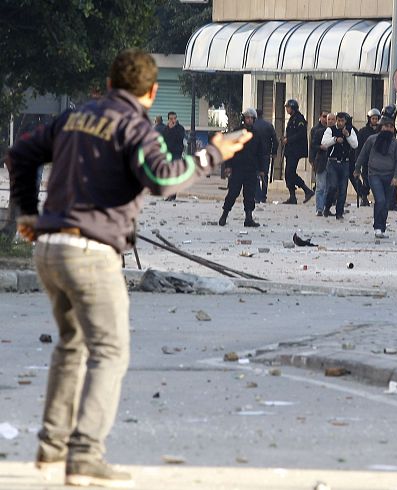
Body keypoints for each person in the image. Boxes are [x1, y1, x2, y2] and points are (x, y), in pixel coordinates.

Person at [6, 48, 250, 488]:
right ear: (152, 92)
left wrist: (25, 214)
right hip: (91, 253)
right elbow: (162, 179)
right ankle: (84, 455)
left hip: (49, 248)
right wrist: (211, 156)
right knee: (110, 351)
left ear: (109, 81)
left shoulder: (75, 117)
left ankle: (51, 447)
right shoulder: (135, 126)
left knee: (71, 346)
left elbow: (20, 153)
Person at [355, 116, 397, 238]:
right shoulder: (372, 140)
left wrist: (396, 177)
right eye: (386, 126)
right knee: (380, 200)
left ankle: (382, 228)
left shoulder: (396, 144)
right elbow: (362, 155)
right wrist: (357, 169)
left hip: (390, 177)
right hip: (374, 175)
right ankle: (377, 227)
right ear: (381, 127)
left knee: (386, 204)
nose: (388, 129)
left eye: (391, 127)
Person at [219, 108, 266, 227]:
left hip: (251, 169)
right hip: (237, 168)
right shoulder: (237, 132)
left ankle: (248, 218)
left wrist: (261, 170)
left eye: (251, 118)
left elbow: (261, 153)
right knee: (233, 192)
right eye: (247, 118)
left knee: (249, 194)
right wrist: (228, 166)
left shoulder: (256, 134)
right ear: (244, 119)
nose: (249, 120)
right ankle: (224, 215)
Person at [321, 112, 358, 219]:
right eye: (339, 121)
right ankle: (327, 207)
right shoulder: (330, 130)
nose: (340, 123)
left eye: (342, 121)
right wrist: (335, 140)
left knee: (343, 189)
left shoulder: (350, 130)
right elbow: (324, 142)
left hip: (345, 163)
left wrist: (348, 136)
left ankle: (339, 212)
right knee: (332, 187)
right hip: (332, 162)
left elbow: (355, 144)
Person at [282, 98, 314, 204]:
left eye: (288, 107)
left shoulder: (299, 118)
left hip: (295, 151)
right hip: (290, 150)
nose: (287, 109)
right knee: (288, 174)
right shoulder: (292, 118)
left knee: (290, 172)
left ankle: (306, 190)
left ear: (293, 108)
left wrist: (288, 139)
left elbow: (300, 134)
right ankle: (292, 196)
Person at [356, 108, 381, 206]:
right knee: (366, 180)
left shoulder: (380, 131)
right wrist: (358, 159)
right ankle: (364, 196)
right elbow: (359, 147)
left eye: (376, 118)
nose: (375, 120)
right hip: (366, 160)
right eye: (373, 118)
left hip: (378, 160)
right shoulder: (363, 131)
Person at [253, 108, 279, 202]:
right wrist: (274, 152)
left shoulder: (252, 126)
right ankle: (263, 195)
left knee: (255, 174)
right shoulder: (269, 126)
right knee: (265, 175)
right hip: (266, 154)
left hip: (255, 154)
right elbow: (275, 141)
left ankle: (257, 195)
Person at [310, 111, 330, 216]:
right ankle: (319, 208)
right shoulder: (316, 131)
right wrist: (312, 160)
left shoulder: (336, 132)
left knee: (329, 187)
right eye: (324, 117)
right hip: (320, 161)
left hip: (332, 163)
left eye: (330, 118)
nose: (327, 119)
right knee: (320, 187)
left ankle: (327, 208)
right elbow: (312, 146)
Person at [162, 111, 186, 201]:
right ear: (168, 119)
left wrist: (173, 129)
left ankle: (173, 194)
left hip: (176, 154)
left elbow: (180, 138)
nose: (173, 120)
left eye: (174, 118)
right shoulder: (165, 129)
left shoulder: (180, 128)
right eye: (171, 119)